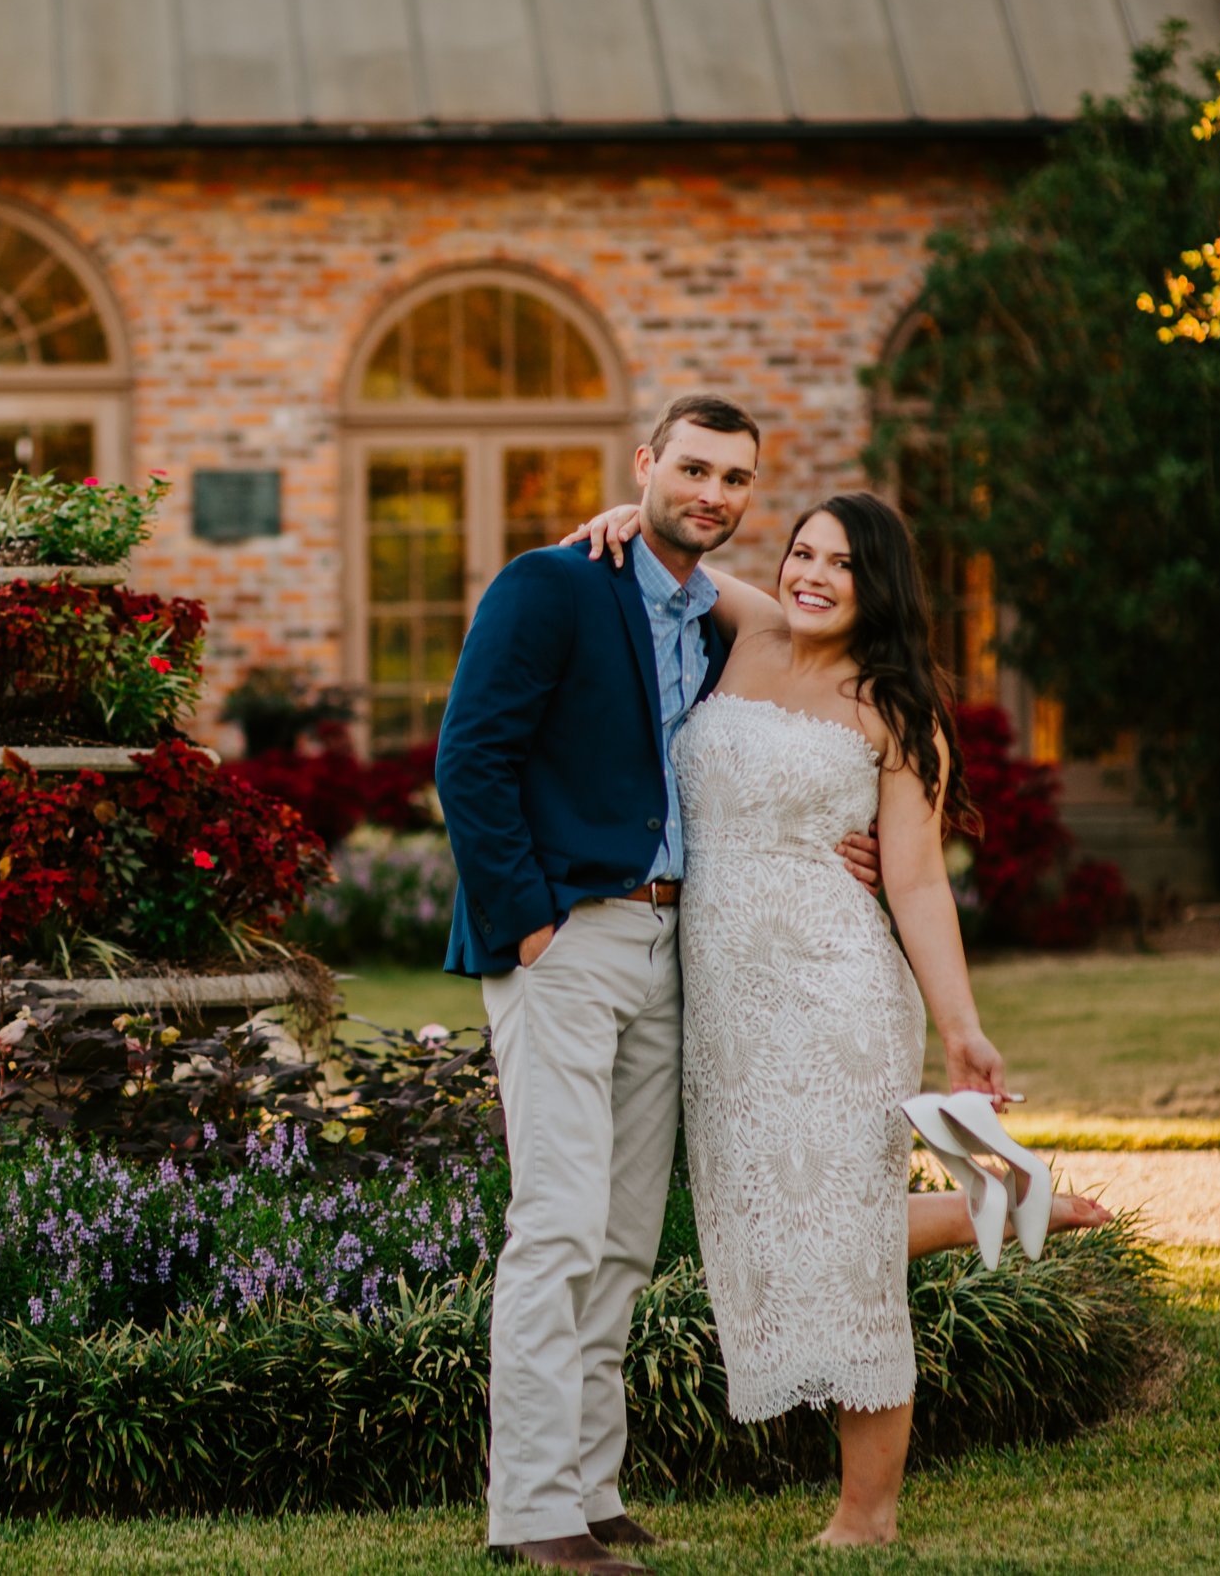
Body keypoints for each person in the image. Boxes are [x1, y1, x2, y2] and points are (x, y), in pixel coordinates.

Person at [566, 489, 1111, 1547]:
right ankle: (998, 1205)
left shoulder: (894, 712)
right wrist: (610, 514)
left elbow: (913, 884)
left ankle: (867, 1516)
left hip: (834, 991)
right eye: (801, 553)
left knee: (848, 1256)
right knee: (766, 1228)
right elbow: (650, 546)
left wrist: (963, 1030)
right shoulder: (747, 625)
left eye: (840, 565)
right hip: (725, 1004)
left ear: (880, 588)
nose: (810, 575)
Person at [434, 394, 883, 1575]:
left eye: (734, 480)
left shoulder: (706, 614)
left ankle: (591, 1486)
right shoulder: (552, 584)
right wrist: (527, 925)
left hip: (671, 950)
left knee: (625, 1238)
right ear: (645, 463)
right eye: (691, 468)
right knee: (560, 1224)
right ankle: (531, 1510)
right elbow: (468, 758)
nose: (712, 494)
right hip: (566, 944)